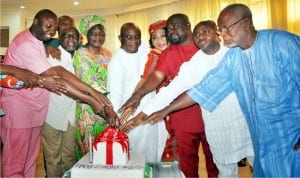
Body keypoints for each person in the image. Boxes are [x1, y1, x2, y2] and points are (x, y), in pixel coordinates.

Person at [143, 3, 300, 177]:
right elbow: (203, 89)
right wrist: (163, 110)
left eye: (226, 29)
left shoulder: (283, 44)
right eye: (220, 30)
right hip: (261, 139)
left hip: (291, 138)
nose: (222, 35)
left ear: (245, 23)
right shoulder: (232, 57)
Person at [122, 20, 255, 177]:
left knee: (259, 164)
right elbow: (171, 88)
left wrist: (162, 110)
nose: (201, 37)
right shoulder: (192, 63)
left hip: (246, 122)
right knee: (220, 169)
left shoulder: (233, 52)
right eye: (198, 34)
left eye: (206, 32)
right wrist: (141, 107)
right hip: (211, 123)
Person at [118, 14, 218, 177]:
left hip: (211, 113)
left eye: (175, 26)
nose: (171, 30)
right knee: (187, 163)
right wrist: (138, 95)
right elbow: (157, 76)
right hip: (182, 116)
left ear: (188, 26)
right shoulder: (168, 53)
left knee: (216, 161)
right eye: (169, 28)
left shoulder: (203, 45)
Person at [108, 22, 167, 163]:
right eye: (129, 37)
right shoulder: (116, 61)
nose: (134, 41)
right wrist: (119, 122)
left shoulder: (143, 49)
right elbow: (115, 96)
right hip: (131, 115)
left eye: (137, 37)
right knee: (135, 156)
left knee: (153, 152)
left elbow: (160, 47)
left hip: (150, 110)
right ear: (120, 38)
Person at [41, 26, 79, 177]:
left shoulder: (79, 57)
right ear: (59, 39)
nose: (71, 39)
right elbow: (62, 84)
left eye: (74, 36)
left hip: (71, 115)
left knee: (69, 157)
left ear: (79, 40)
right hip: (51, 115)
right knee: (53, 159)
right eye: (66, 36)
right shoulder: (52, 55)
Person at [73, 15, 112, 160]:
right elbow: (89, 84)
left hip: (107, 108)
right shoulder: (81, 54)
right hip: (88, 109)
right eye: (94, 33)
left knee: (104, 152)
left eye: (102, 33)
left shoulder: (108, 53)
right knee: (89, 155)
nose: (98, 37)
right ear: (86, 34)